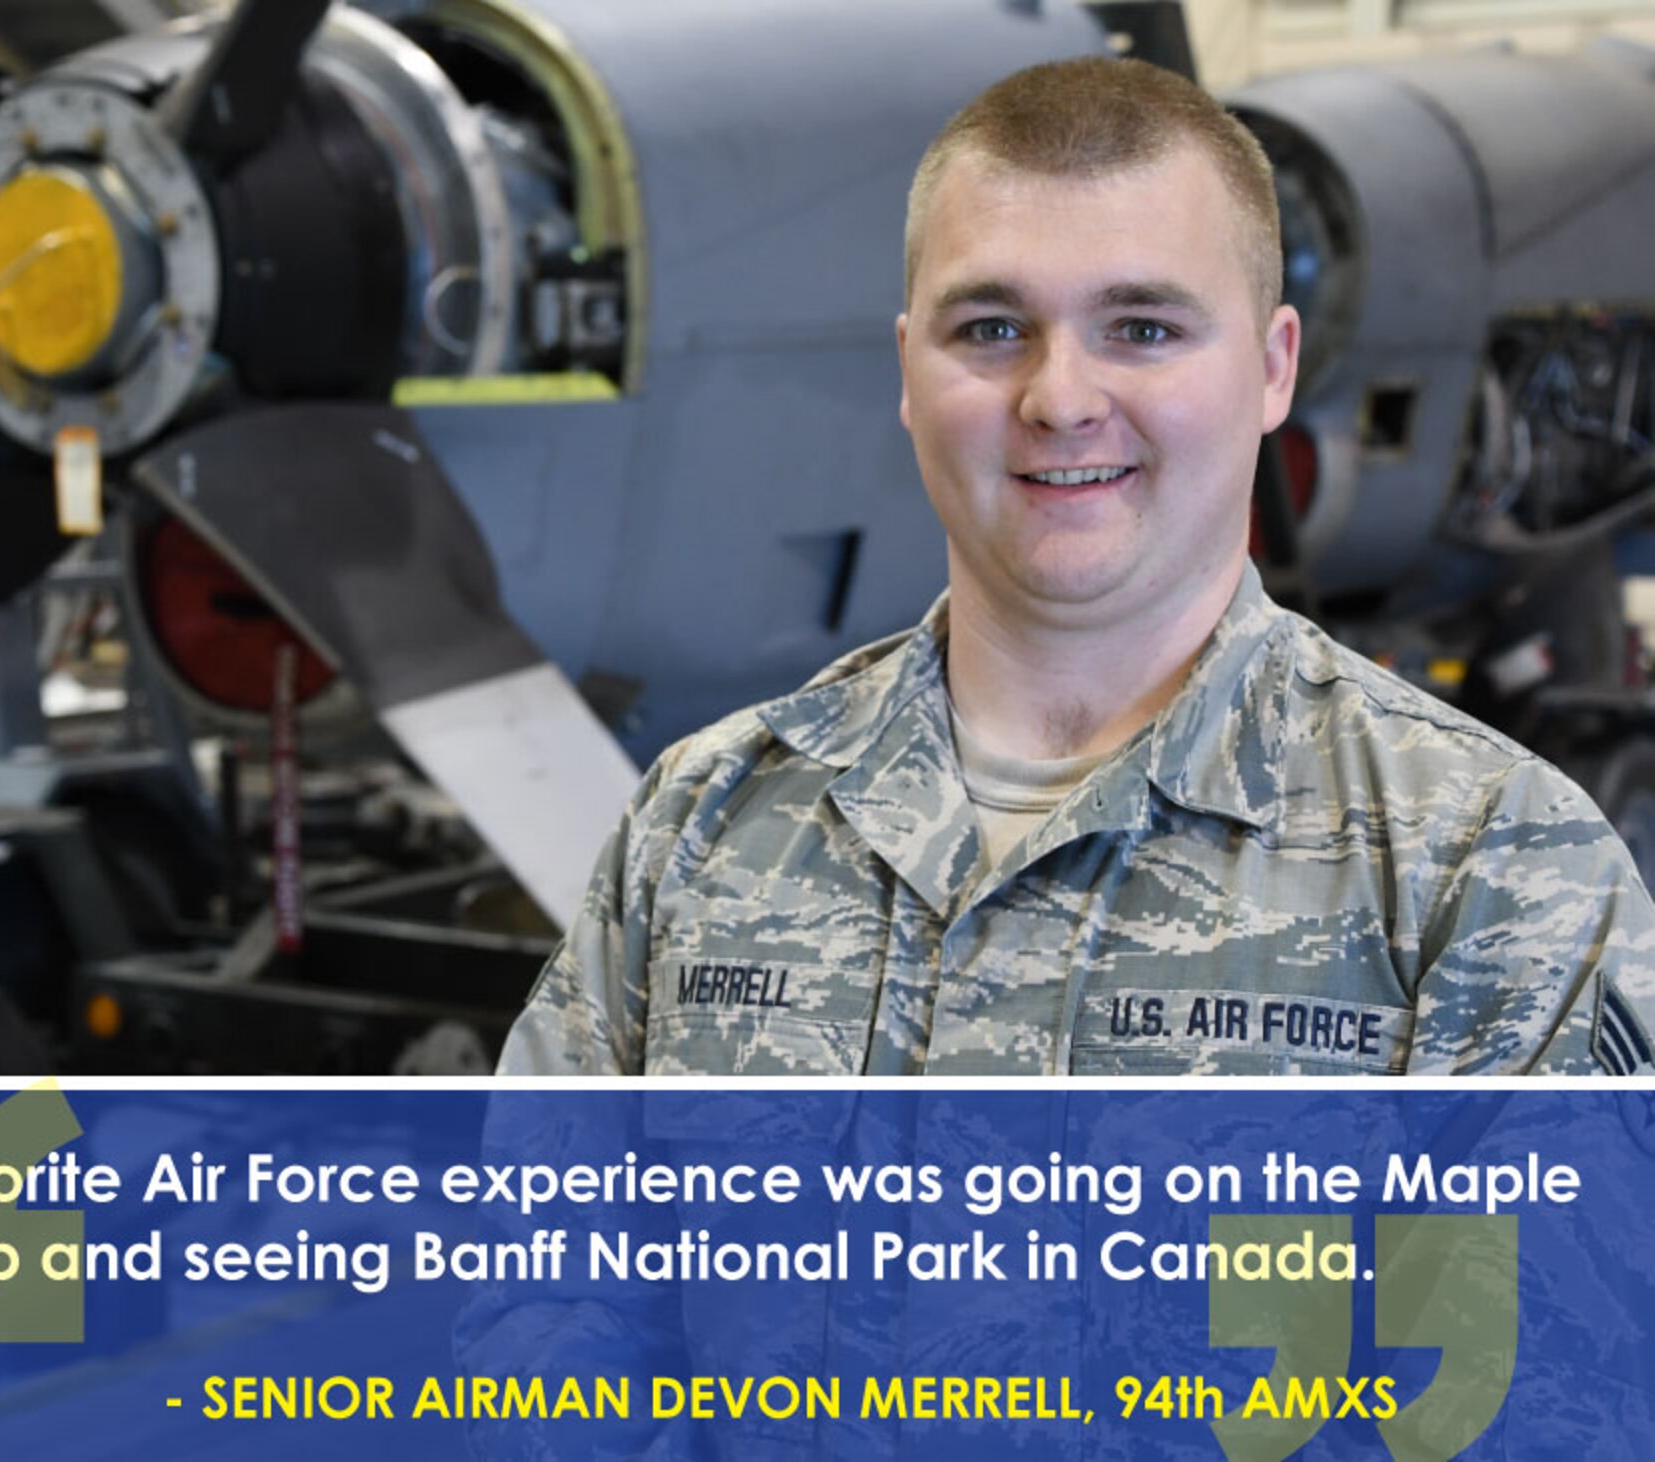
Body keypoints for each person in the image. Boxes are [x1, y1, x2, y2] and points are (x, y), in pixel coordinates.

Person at [497, 56, 1655, 1077]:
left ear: (1270, 367)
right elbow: (548, 1283)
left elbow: (1504, 1328)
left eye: (1142, 328)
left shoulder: (1485, 874)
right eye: (990, 329)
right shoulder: (701, 829)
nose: (1058, 401)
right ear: (908, 370)